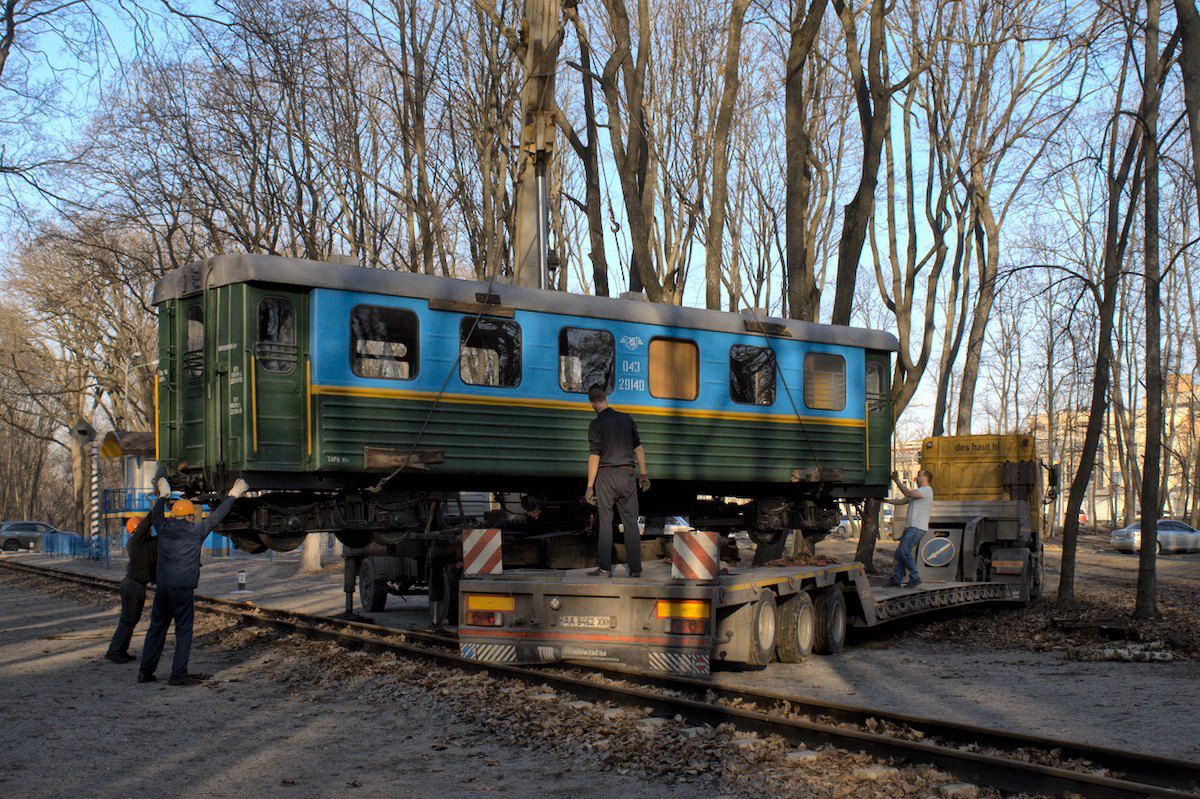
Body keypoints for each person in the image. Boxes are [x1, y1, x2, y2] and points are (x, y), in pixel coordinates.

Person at [138, 475, 248, 686]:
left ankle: (145, 672)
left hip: (163, 587)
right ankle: (178, 674)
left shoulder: (164, 528)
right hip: (183, 589)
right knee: (184, 630)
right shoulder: (196, 531)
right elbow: (217, 517)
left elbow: (155, 515)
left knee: (156, 629)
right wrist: (234, 494)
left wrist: (164, 495)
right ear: (189, 516)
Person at [584, 385, 650, 578]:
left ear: (592, 403)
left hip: (606, 476)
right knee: (631, 522)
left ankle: (605, 569)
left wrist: (589, 487)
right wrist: (644, 474)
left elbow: (594, 456)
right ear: (605, 398)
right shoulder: (626, 419)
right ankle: (635, 569)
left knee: (605, 521)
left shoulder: (596, 424)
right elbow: (638, 448)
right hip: (627, 474)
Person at [104, 500, 166, 663]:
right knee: (127, 621)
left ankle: (119, 651)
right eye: (144, 527)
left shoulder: (147, 544)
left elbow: (162, 537)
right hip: (132, 586)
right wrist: (158, 505)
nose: (148, 529)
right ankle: (115, 652)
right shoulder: (134, 542)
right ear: (137, 530)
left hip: (136, 587)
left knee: (130, 621)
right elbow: (147, 525)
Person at [883, 469, 933, 588]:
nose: (916, 478)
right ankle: (897, 579)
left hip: (917, 527)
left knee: (904, 552)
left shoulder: (927, 490)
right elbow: (902, 501)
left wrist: (897, 481)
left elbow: (908, 494)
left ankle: (915, 577)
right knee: (900, 553)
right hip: (911, 527)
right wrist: (885, 501)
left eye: (919, 475)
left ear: (925, 478)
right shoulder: (918, 492)